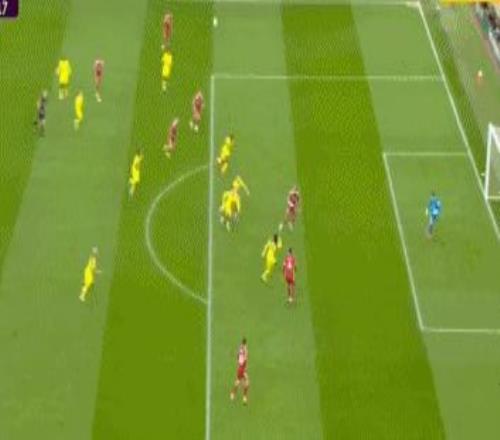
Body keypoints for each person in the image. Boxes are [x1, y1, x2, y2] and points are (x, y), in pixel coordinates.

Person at [230, 338, 249, 405]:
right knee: (246, 383)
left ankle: (232, 394)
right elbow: (245, 359)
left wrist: (239, 363)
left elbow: (237, 356)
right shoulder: (245, 349)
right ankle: (244, 397)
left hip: (240, 367)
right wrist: (245, 368)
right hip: (242, 369)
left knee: (238, 381)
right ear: (245, 343)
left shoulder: (240, 348)